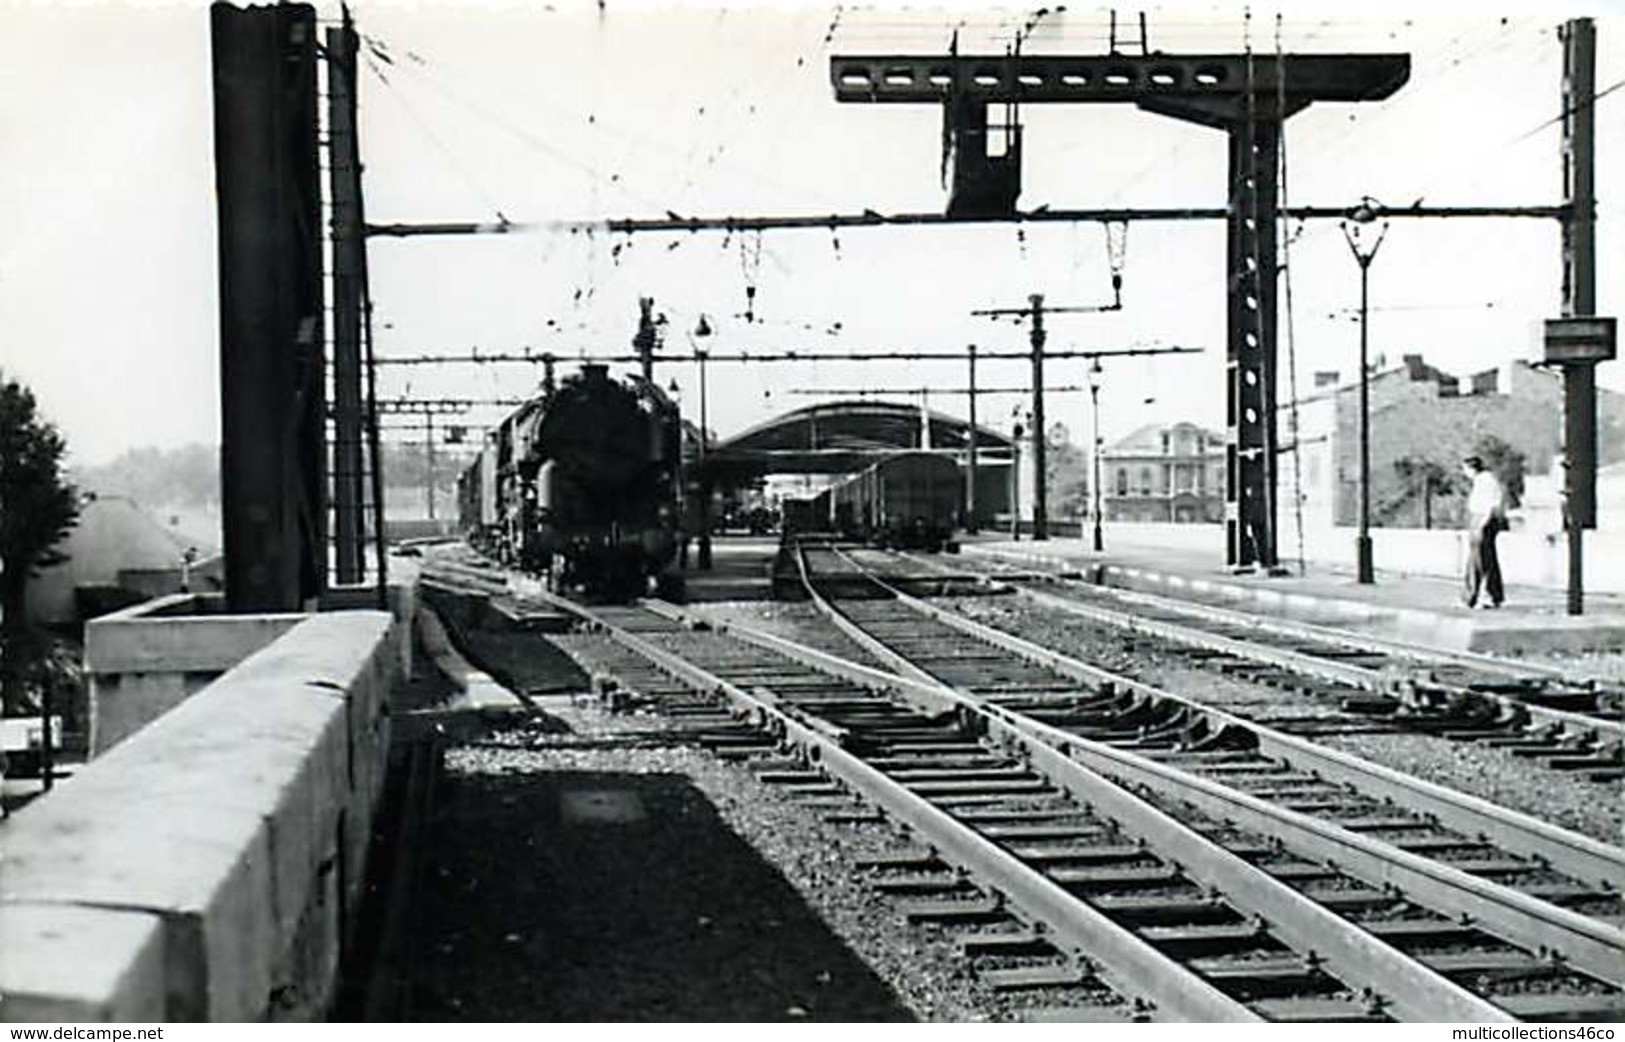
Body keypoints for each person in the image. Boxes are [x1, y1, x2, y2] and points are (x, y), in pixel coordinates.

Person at [1461, 455, 1506, 609]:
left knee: (1481, 560)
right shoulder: (1483, 481)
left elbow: (1491, 504)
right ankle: (1489, 595)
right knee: (1483, 559)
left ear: (1471, 469)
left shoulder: (1485, 482)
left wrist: (1481, 524)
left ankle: (1479, 596)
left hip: (1483, 521)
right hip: (1481, 520)